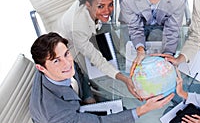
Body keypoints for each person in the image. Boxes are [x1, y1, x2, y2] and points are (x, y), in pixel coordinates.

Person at [29, 32, 174, 123]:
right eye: (56, 61)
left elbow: (77, 70)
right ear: (41, 68)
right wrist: (143, 110)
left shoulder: (54, 67)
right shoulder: (55, 115)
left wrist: (87, 97)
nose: (67, 63)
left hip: (81, 108)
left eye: (66, 54)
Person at [53, 0, 139, 99]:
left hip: (90, 28)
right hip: (71, 47)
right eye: (101, 6)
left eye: (110, 4)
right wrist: (123, 78)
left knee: (117, 47)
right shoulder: (78, 27)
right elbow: (96, 59)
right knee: (98, 76)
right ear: (88, 5)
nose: (108, 11)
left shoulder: (90, 3)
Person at [118, 0, 187, 76]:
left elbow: (172, 30)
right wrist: (140, 50)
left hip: (162, 27)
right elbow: (134, 28)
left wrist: (167, 59)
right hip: (133, 26)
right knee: (127, 60)